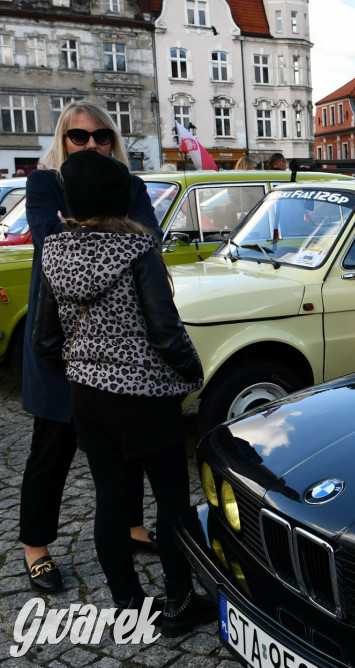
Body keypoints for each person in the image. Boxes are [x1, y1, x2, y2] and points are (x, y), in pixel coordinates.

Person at [33, 149, 214, 633]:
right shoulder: (137, 251)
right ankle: (178, 604)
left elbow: (44, 339)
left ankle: (130, 605)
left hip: (88, 397)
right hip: (145, 397)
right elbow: (166, 331)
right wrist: (193, 374)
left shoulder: (54, 250)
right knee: (173, 501)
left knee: (112, 500)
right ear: (122, 199)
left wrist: (83, 367)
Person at [20, 101, 158, 593]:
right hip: (58, 338)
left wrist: (78, 228)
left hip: (120, 340)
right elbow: (46, 238)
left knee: (126, 444)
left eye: (101, 136)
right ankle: (35, 546)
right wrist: (114, 233)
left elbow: (151, 239)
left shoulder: (131, 184)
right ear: (63, 141)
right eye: (79, 137)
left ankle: (131, 525)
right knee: (51, 448)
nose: (92, 144)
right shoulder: (44, 183)